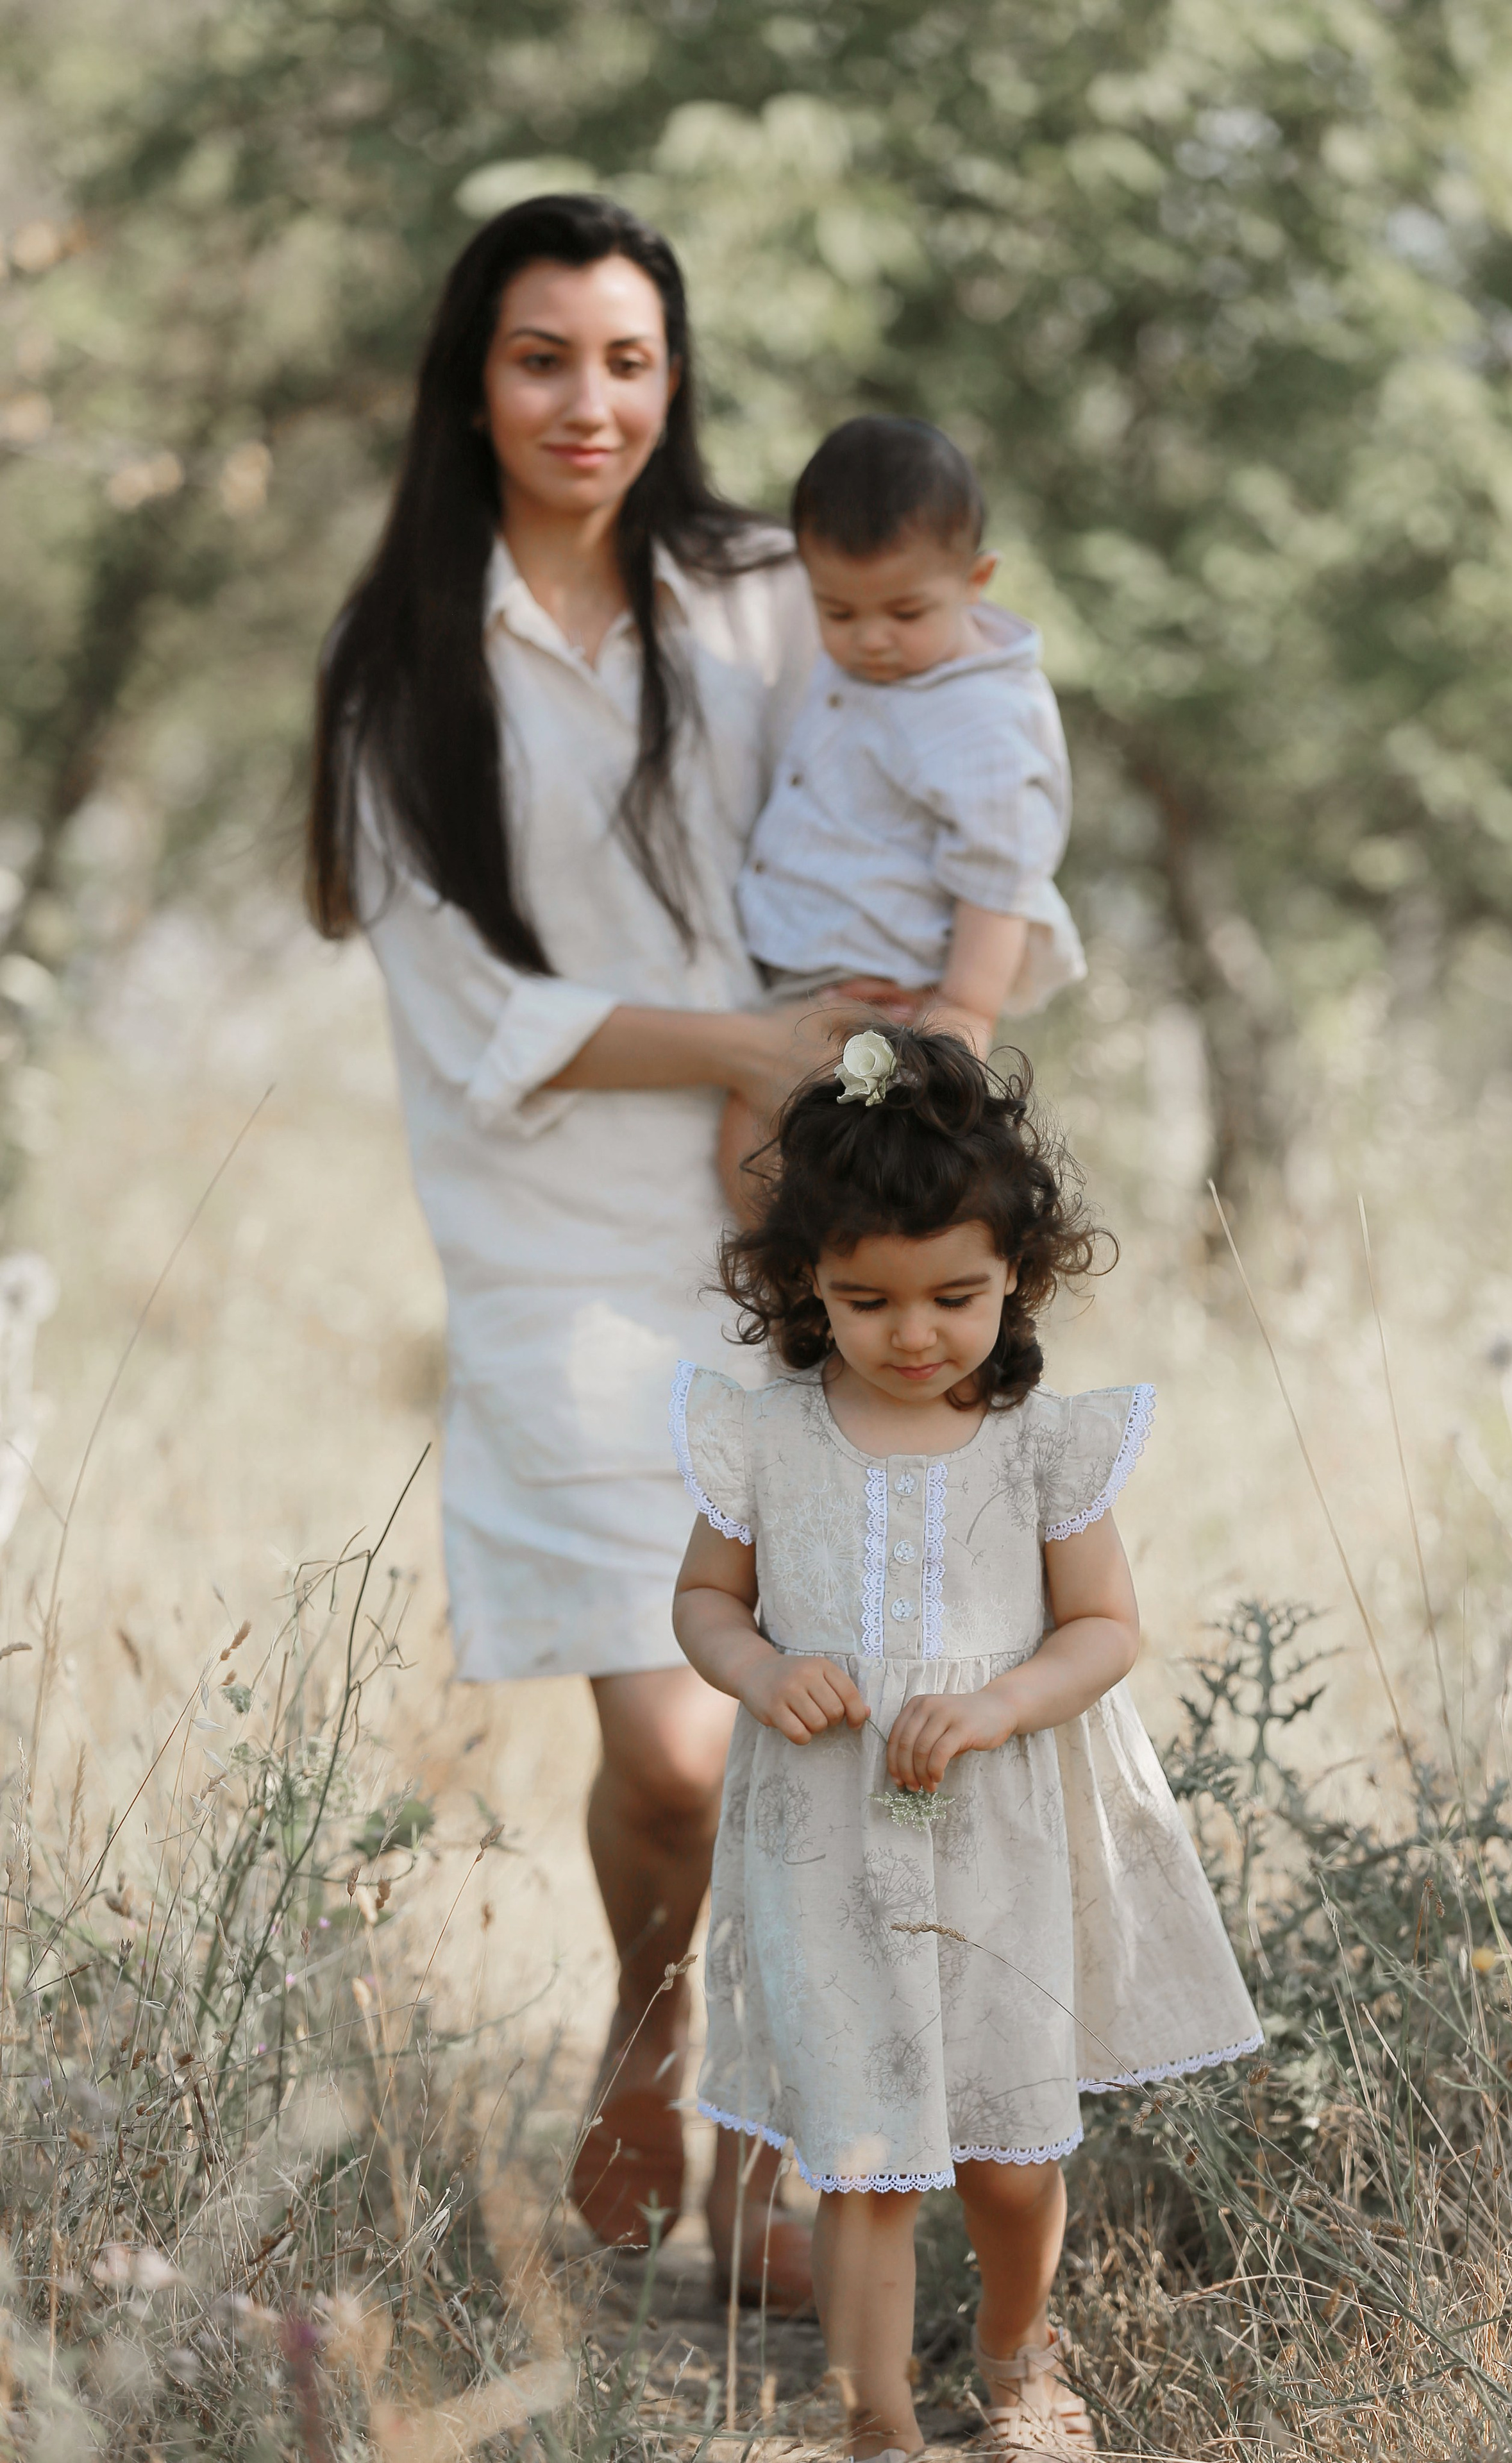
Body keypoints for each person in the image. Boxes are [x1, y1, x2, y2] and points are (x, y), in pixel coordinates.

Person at [305, 192, 829, 2305]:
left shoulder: (770, 600)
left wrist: (814, 1080)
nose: (590, 401)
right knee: (674, 1750)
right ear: (471, 379)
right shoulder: (406, 664)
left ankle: (784, 2147)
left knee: (815, 1720)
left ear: (672, 376)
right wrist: (739, 1040)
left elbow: (935, 814)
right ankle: (649, 2015)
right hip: (555, 1260)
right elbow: (470, 1017)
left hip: (793, 1232)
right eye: (543, 359)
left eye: (628, 359)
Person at [671, 1028, 1261, 2459]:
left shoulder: (1041, 1445)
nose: (914, 1334)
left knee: (1007, 2150)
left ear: (1019, 1276)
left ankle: (1016, 2353)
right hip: (826, 1839)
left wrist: (998, 1702)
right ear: (802, 1281)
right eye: (868, 1300)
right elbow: (702, 1600)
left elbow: (1105, 1629)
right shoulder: (766, 1439)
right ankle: (876, 2419)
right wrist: (758, 1670)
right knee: (866, 2157)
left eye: (955, 1296)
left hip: (998, 1830)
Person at [716, 416, 1086, 1209]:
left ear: (976, 580)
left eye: (906, 613)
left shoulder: (981, 718)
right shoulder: (870, 668)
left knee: (800, 1175)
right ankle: (799, 1313)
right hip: (813, 977)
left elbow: (1000, 875)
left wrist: (958, 1022)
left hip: (888, 1002)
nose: (872, 639)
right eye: (839, 613)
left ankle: (828, 1319)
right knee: (757, 1174)